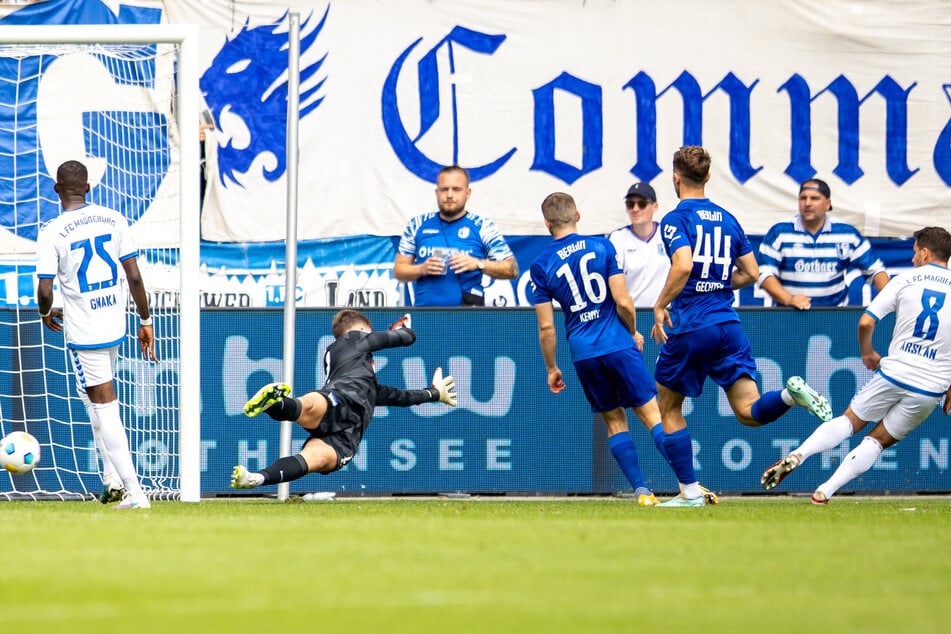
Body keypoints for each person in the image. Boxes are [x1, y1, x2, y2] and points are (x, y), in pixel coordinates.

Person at [650, 146, 834, 507]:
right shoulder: (728, 219)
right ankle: (789, 395)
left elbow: (684, 265)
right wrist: (718, 285)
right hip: (728, 324)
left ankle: (689, 493)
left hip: (692, 324)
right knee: (749, 413)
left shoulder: (675, 219)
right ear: (707, 177)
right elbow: (751, 273)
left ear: (676, 178)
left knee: (668, 408)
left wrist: (660, 304)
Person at [761, 226, 951, 503]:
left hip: (895, 372)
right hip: (931, 386)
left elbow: (866, 321)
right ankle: (825, 490)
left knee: (849, 421)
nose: (912, 259)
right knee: (877, 441)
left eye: (913, 253)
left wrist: (868, 353)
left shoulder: (905, 280)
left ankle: (798, 454)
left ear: (924, 252)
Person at [530, 192, 674, 507]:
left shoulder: (541, 266)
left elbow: (546, 328)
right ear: (577, 216)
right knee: (653, 415)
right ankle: (689, 485)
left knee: (614, 421)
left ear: (547, 223)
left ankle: (641, 491)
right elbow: (623, 301)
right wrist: (633, 331)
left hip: (583, 352)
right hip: (617, 343)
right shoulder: (603, 246)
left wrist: (552, 367)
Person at [36, 160, 157, 510]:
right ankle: (112, 477)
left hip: (86, 331)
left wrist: (45, 313)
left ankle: (134, 492)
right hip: (115, 323)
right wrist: (145, 320)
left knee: (105, 407)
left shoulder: (52, 231)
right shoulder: (114, 218)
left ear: (56, 189)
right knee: (94, 398)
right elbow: (133, 276)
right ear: (88, 187)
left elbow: (45, 290)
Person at [231, 310, 457, 489]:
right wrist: (404, 328)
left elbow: (402, 397)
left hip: (346, 421)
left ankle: (255, 478)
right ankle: (275, 404)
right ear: (361, 329)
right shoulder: (354, 339)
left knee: (311, 455)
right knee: (315, 405)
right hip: (344, 406)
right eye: (370, 332)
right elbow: (407, 338)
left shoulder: (367, 384)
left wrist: (433, 393)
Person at [394, 165, 519, 306]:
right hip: (425, 317)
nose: (449, 195)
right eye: (444, 189)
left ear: (468, 193)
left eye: (456, 189)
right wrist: (421, 269)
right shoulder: (417, 224)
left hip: (469, 318)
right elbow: (399, 270)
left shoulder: (482, 226)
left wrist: (478, 264)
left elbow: (512, 269)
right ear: (436, 192)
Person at [758, 178, 890, 309]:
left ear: (827, 204)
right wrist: (790, 299)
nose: (807, 203)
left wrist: (890, 303)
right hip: (789, 317)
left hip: (834, 317)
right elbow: (763, 274)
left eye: (814, 198)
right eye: (803, 198)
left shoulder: (847, 234)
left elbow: (876, 271)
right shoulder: (779, 232)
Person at [608, 182, 671, 307]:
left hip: (665, 314)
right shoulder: (618, 238)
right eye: (630, 204)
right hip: (631, 315)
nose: (635, 209)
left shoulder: (667, 234)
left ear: (655, 206)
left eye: (642, 204)